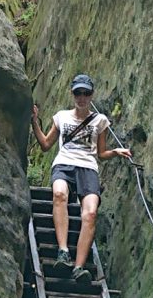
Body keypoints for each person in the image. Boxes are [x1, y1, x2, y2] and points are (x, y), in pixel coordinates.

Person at [31, 74, 130, 285]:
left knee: (91, 213)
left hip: (87, 167)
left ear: (91, 95)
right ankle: (63, 252)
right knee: (59, 194)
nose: (82, 97)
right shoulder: (61, 117)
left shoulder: (100, 120)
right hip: (64, 163)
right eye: (78, 93)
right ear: (72, 93)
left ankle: (78, 267)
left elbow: (101, 154)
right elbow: (46, 145)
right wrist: (34, 122)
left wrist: (116, 152)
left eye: (86, 93)